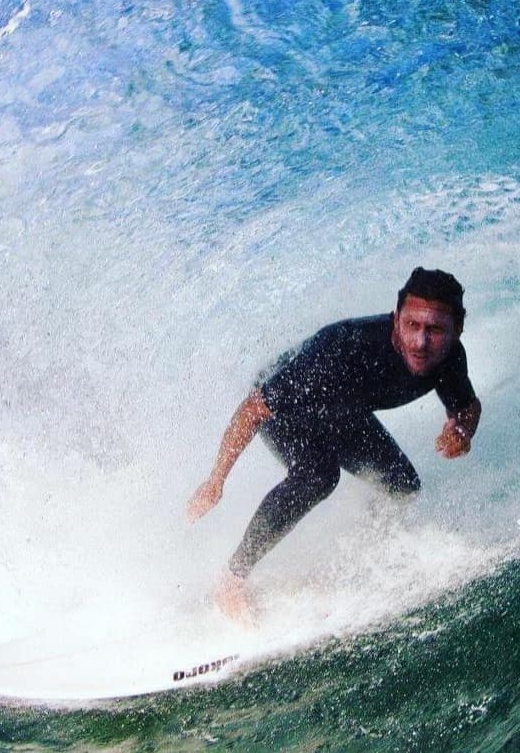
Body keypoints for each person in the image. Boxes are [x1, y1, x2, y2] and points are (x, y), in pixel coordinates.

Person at [187, 267, 481, 623]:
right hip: (291, 404)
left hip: (343, 410)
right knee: (319, 475)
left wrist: (463, 432)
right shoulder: (341, 348)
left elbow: (467, 408)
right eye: (412, 326)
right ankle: (230, 582)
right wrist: (216, 480)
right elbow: (253, 409)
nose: (420, 342)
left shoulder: (449, 358)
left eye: (434, 330)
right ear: (396, 319)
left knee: (404, 486)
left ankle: (357, 553)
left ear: (456, 331)